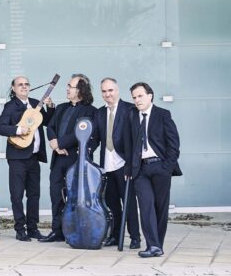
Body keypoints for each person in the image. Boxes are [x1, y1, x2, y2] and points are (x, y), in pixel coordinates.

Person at [0, 76, 54, 241]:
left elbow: (47, 121)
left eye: (26, 84)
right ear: (13, 88)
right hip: (17, 157)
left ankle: (33, 228)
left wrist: (50, 107)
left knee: (34, 194)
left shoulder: (36, 103)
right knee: (17, 194)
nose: (24, 86)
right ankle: (20, 229)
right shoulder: (10, 106)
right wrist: (18, 130)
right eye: (19, 84)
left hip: (34, 157)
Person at [41, 73, 96, 243]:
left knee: (74, 196)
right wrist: (54, 143)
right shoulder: (61, 107)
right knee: (56, 195)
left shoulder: (90, 111)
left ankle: (74, 231)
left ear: (80, 90)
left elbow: (81, 133)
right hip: (58, 159)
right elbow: (50, 127)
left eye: (70, 86)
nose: (67, 89)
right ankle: (57, 231)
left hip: (76, 159)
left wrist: (60, 143)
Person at [129, 82, 181, 258]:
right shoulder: (132, 116)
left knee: (160, 208)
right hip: (141, 169)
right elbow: (129, 145)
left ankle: (158, 244)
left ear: (150, 95)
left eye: (140, 96)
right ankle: (152, 245)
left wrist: (167, 168)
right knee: (146, 206)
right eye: (134, 97)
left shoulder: (163, 115)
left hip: (160, 167)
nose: (137, 100)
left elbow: (174, 144)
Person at [88, 77, 141, 250]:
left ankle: (135, 238)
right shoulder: (100, 113)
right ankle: (115, 235)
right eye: (104, 91)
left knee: (129, 204)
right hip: (107, 166)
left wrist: (131, 165)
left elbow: (135, 140)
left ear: (117, 90)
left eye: (110, 90)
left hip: (123, 165)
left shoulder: (129, 110)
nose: (107, 94)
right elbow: (96, 137)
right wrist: (86, 148)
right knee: (112, 205)